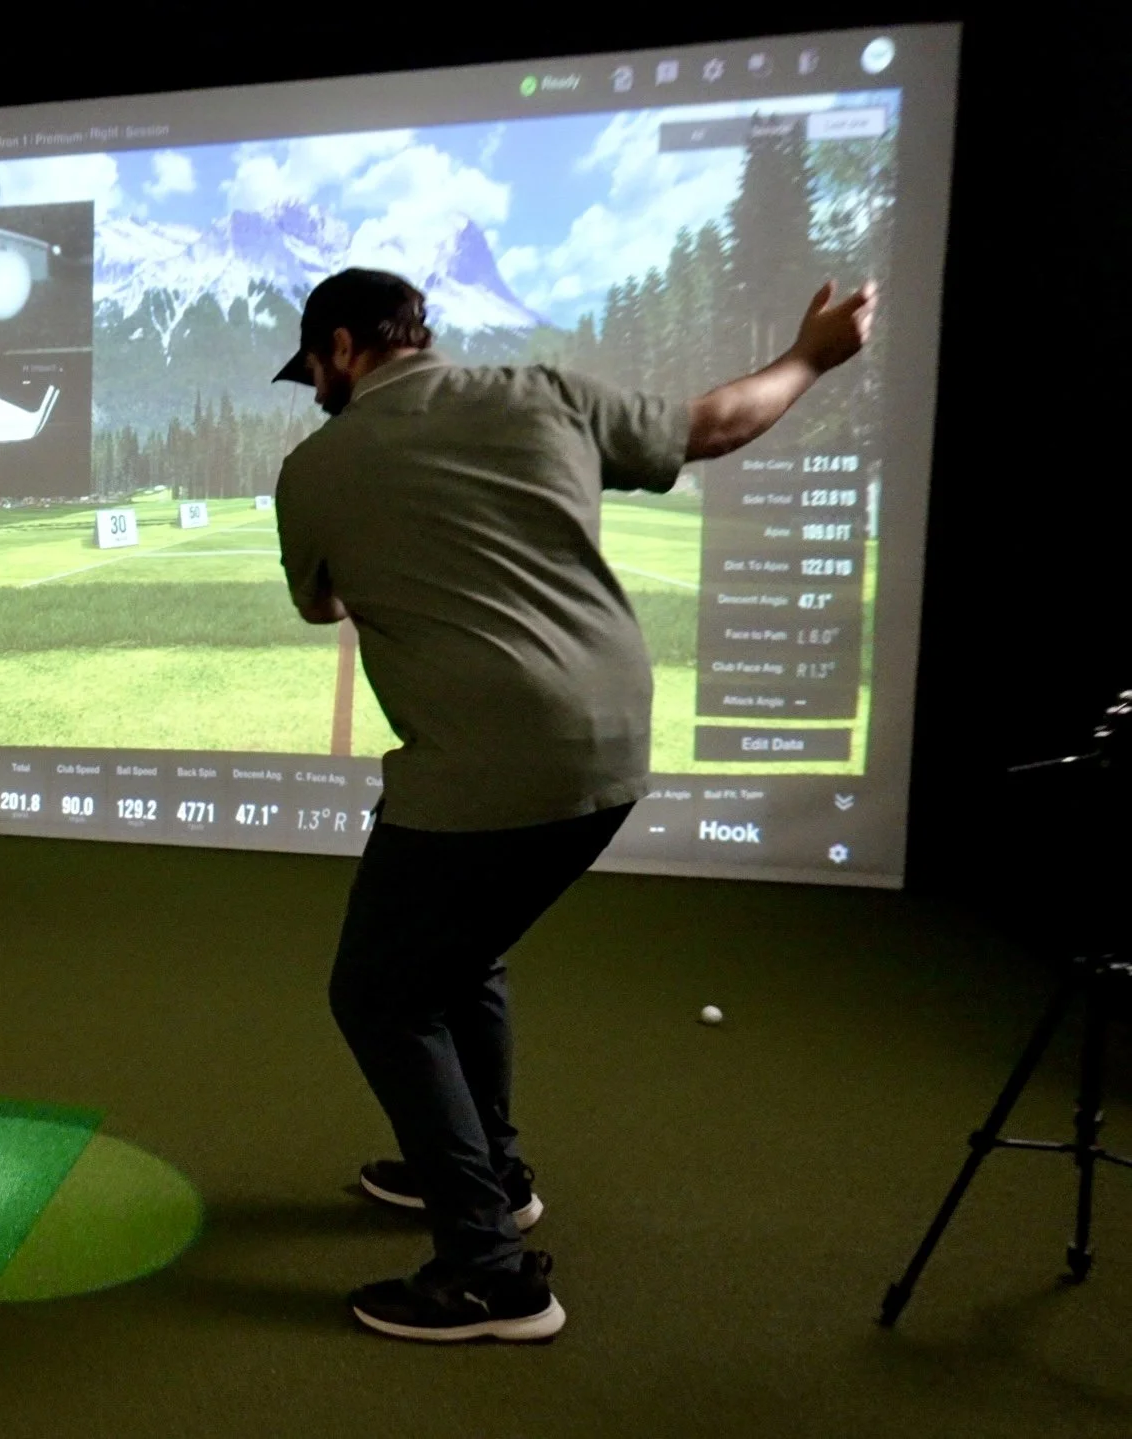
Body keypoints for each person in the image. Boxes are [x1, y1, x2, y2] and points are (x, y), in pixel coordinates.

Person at [273, 267, 875, 1340]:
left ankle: (488, 1271)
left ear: (346, 347)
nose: (315, 387)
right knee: (462, 954)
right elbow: (714, 426)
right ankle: (489, 1175)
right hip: (608, 750)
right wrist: (810, 355)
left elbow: (321, 604)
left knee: (379, 995)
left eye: (315, 366)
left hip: (486, 767)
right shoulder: (541, 392)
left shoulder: (315, 465)